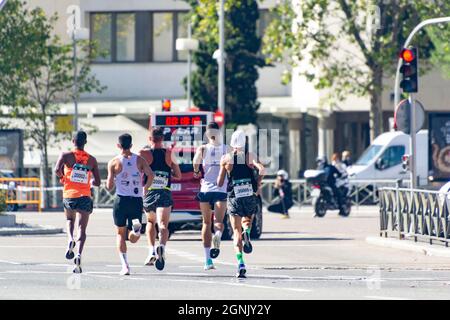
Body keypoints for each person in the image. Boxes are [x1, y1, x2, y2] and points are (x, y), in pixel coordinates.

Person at [217, 130, 265, 278]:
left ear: (232, 143)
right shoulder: (250, 156)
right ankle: (247, 233)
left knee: (235, 231)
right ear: (244, 143)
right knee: (247, 222)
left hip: (234, 195)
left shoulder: (226, 158)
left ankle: (240, 263)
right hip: (249, 194)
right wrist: (257, 183)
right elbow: (262, 169)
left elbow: (219, 182)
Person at [106, 133, 154, 276]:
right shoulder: (139, 160)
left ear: (118, 146)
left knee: (120, 234)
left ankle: (125, 266)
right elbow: (150, 174)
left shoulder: (113, 162)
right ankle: (136, 230)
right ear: (131, 145)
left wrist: (114, 179)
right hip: (136, 200)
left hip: (121, 200)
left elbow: (109, 186)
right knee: (134, 237)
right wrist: (145, 188)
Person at [54, 130, 101, 274]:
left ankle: (70, 239)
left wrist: (63, 177)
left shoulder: (66, 156)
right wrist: (90, 180)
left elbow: (57, 170)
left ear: (73, 141)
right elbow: (98, 182)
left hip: (69, 195)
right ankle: (79, 256)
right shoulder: (92, 160)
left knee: (69, 219)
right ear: (85, 142)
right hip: (85, 196)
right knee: (82, 228)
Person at [139, 127, 181, 271]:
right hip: (164, 191)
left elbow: (138, 170)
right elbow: (178, 175)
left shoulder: (143, 153)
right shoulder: (169, 153)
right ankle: (161, 247)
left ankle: (151, 250)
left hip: (150, 192)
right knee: (163, 225)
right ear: (162, 139)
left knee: (151, 221)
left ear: (150, 139)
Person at [193, 122, 230, 270]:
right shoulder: (226, 148)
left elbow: (195, 163)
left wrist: (196, 171)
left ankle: (208, 260)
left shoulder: (202, 148)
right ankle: (218, 235)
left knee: (206, 223)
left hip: (206, 189)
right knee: (219, 221)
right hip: (221, 189)